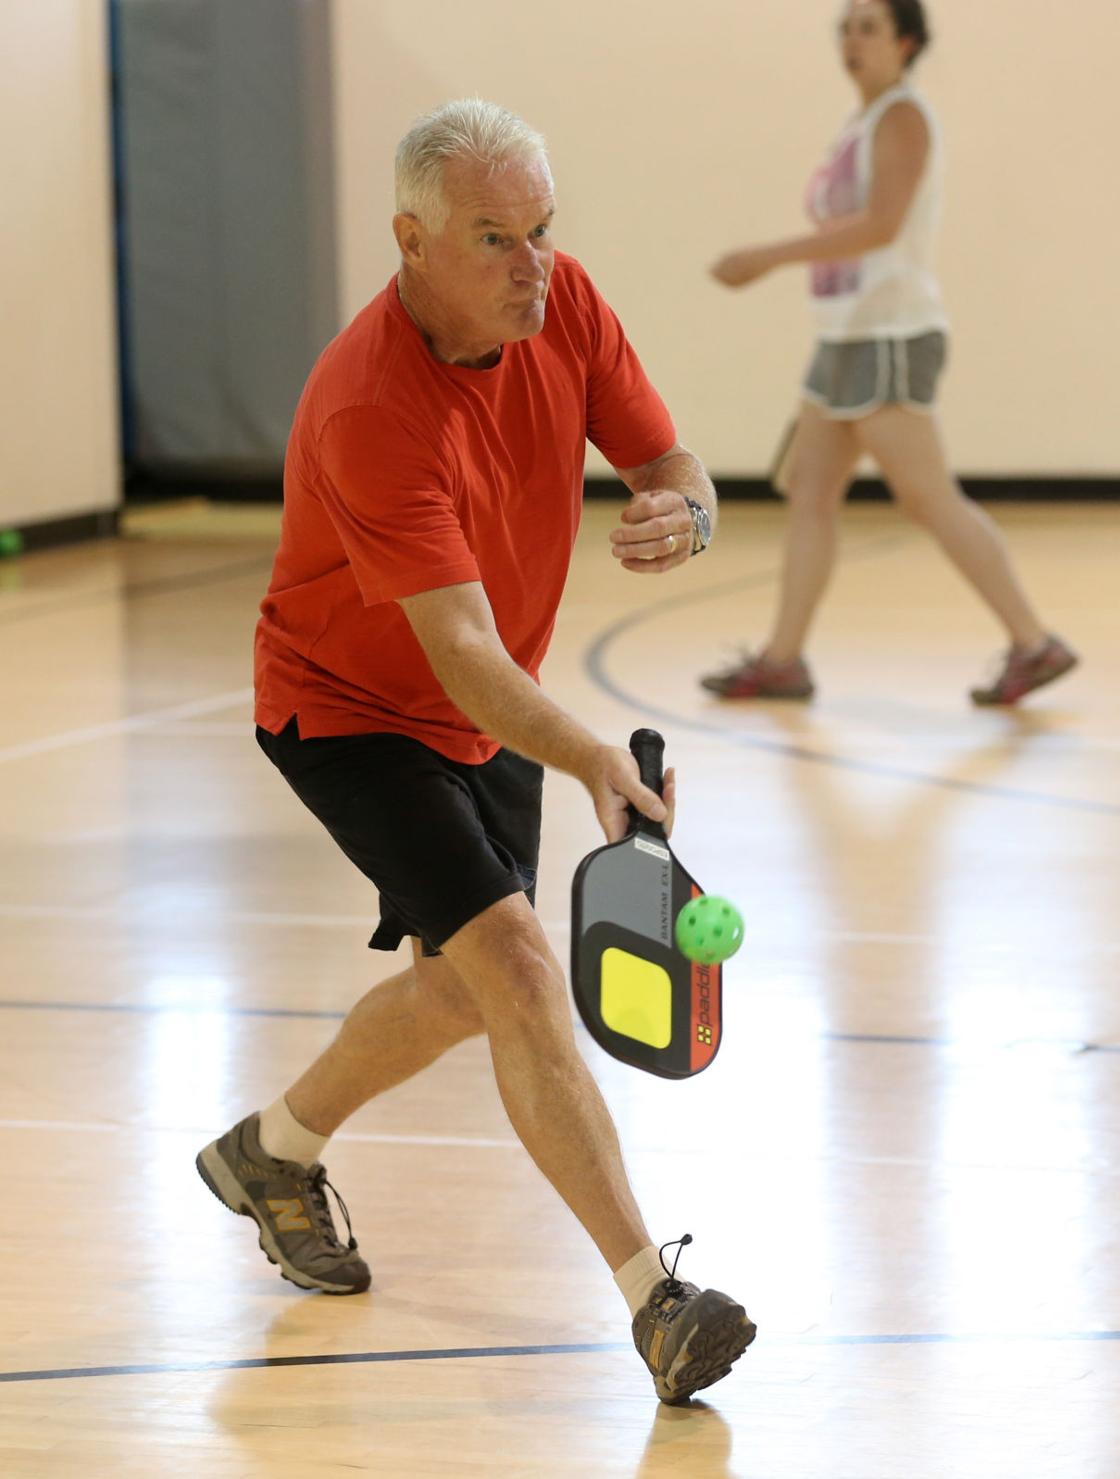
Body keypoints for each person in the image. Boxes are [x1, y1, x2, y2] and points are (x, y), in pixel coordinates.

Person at [194, 99, 753, 1406]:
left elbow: (674, 458)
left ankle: (273, 1150)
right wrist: (590, 755)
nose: (532, 265)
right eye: (496, 238)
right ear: (411, 241)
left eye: (544, 230)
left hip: (484, 706)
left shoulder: (565, 308)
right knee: (511, 962)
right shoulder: (368, 404)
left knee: (464, 986)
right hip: (346, 711)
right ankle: (655, 1300)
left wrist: (690, 510)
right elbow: (456, 650)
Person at [702, 0, 1079, 706]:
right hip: (844, 335)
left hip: (892, 336)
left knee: (928, 497)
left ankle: (1033, 641)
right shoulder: (861, 122)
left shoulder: (904, 116)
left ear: (905, 42)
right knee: (811, 492)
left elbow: (880, 227)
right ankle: (782, 661)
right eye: (845, 26)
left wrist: (767, 256)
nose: (851, 39)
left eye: (869, 27)